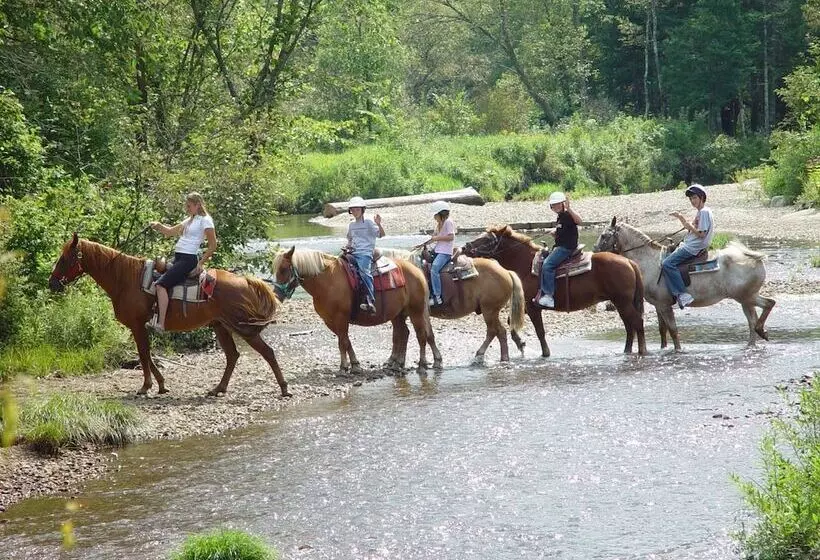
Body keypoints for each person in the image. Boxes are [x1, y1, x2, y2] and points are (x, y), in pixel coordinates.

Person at [147, 192, 217, 332]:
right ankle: (156, 315)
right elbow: (171, 231)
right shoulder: (190, 219)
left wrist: (200, 263)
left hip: (188, 259)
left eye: (189, 205)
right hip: (179, 257)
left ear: (198, 205)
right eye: (187, 205)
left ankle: (161, 324)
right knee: (155, 275)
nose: (187, 208)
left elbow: (213, 245)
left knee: (160, 285)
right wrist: (158, 226)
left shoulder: (206, 220)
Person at [662, 183, 714, 309]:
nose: (692, 201)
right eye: (691, 199)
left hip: (692, 248)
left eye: (695, 198)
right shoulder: (701, 212)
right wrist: (680, 217)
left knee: (667, 264)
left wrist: (690, 227)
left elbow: (701, 234)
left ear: (701, 197)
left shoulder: (704, 212)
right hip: (691, 245)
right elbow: (689, 226)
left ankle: (683, 294)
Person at [537, 191, 582, 308]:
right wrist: (554, 233)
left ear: (563, 204)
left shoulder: (567, 214)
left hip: (566, 248)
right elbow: (564, 231)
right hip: (562, 245)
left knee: (547, 265)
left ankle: (549, 296)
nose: (556, 206)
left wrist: (570, 209)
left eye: (558, 204)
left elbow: (579, 221)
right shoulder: (561, 217)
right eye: (553, 205)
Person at [345, 196, 384, 314]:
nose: (355, 212)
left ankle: (370, 300)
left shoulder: (368, 222)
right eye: (353, 210)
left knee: (363, 272)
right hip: (353, 252)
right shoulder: (351, 225)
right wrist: (348, 247)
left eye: (357, 209)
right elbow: (350, 240)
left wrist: (379, 224)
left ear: (362, 210)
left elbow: (381, 235)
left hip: (365, 253)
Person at [424, 200, 456, 307]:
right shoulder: (438, 224)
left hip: (445, 252)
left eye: (435, 214)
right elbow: (433, 238)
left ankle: (438, 297)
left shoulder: (448, 222)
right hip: (437, 250)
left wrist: (436, 238)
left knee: (434, 269)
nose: (434, 217)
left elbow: (451, 237)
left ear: (441, 213)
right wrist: (423, 242)